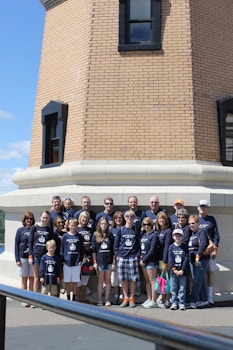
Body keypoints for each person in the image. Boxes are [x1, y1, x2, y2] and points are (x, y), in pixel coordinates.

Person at [114, 210, 140, 308]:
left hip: (132, 257)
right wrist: (117, 255)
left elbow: (138, 243)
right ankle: (125, 297)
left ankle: (132, 298)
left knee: (133, 279)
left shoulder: (136, 230)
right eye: (128, 216)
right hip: (122, 257)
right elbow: (116, 244)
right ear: (125, 218)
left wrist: (137, 255)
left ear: (134, 218)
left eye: (131, 216)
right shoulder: (120, 230)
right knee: (123, 279)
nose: (129, 218)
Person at [197, 200, 220, 305]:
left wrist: (215, 249)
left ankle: (210, 296)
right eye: (201, 206)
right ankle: (202, 296)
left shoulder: (211, 219)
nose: (203, 208)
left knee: (210, 273)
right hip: (199, 251)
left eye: (205, 206)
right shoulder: (195, 219)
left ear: (207, 208)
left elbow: (216, 235)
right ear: (198, 207)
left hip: (210, 250)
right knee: (199, 274)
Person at [28, 211, 55, 294]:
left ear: (49, 218)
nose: (45, 219)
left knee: (43, 278)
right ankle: (35, 298)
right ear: (40, 217)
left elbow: (51, 242)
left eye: (47, 218)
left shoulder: (50, 230)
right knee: (36, 278)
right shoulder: (34, 228)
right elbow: (30, 242)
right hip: (36, 255)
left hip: (45, 256)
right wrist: (30, 256)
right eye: (43, 217)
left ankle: (42, 297)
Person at [188, 215, 210, 309]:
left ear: (198, 223)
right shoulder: (192, 233)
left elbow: (204, 244)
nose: (191, 225)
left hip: (201, 260)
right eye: (190, 224)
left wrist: (198, 256)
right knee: (199, 280)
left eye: (193, 223)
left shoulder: (201, 231)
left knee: (197, 281)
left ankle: (193, 300)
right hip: (193, 260)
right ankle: (204, 300)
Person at [92, 217, 114, 306]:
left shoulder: (110, 235)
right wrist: (94, 262)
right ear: (99, 225)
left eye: (105, 224)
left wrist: (113, 262)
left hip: (109, 261)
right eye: (102, 224)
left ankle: (107, 299)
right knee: (101, 281)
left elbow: (113, 250)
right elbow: (94, 250)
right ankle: (100, 299)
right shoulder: (95, 235)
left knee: (108, 281)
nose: (104, 225)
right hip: (100, 261)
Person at [14, 211, 35, 307]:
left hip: (32, 258)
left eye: (30, 218)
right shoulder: (20, 230)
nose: (29, 220)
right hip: (23, 258)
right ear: (24, 220)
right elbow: (16, 245)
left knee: (32, 279)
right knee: (24, 279)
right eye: (27, 218)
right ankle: (24, 299)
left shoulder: (34, 230)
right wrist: (17, 259)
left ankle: (30, 299)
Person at [60, 218, 84, 301]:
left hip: (76, 262)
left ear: (77, 226)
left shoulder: (79, 236)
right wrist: (63, 261)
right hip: (67, 262)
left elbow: (82, 249)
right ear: (69, 226)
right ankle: (67, 297)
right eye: (71, 225)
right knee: (67, 282)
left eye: (74, 225)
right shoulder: (65, 236)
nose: (73, 227)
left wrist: (80, 260)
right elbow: (62, 249)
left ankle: (73, 297)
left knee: (75, 282)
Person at [140, 217, 159, 309]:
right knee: (147, 281)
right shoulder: (144, 235)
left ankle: (154, 300)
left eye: (148, 224)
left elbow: (152, 250)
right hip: (144, 261)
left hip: (151, 261)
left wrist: (144, 260)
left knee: (152, 281)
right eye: (144, 224)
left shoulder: (154, 235)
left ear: (152, 225)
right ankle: (149, 298)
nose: (146, 226)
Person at [76, 211, 95, 303]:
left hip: (88, 257)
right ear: (80, 218)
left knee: (85, 277)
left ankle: (84, 297)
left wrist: (89, 247)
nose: (84, 219)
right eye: (83, 217)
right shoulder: (75, 229)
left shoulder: (90, 230)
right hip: (78, 257)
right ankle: (78, 297)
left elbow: (93, 243)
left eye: (86, 218)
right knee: (78, 277)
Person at [155, 211, 173, 308]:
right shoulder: (157, 231)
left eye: (163, 218)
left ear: (166, 220)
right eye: (159, 218)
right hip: (158, 259)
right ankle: (162, 298)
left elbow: (167, 247)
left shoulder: (168, 231)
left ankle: (167, 299)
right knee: (161, 280)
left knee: (166, 279)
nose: (161, 220)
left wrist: (165, 262)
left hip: (165, 259)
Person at [168, 228, 189, 310]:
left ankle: (181, 303)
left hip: (182, 272)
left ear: (182, 237)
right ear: (173, 236)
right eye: (176, 235)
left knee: (182, 288)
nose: (177, 237)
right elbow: (170, 259)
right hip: (173, 272)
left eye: (179, 235)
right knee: (173, 288)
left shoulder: (184, 247)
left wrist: (182, 270)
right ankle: (174, 302)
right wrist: (174, 269)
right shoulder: (171, 247)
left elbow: (186, 259)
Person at [110, 211, 125, 304]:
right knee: (114, 277)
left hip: (123, 255)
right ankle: (116, 294)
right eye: (116, 218)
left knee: (122, 276)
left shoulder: (125, 229)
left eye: (120, 218)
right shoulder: (111, 230)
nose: (118, 220)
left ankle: (121, 295)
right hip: (113, 256)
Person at [53, 216, 66, 295]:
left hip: (62, 257)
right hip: (54, 257)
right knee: (55, 277)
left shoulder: (64, 234)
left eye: (62, 222)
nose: (60, 224)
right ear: (55, 223)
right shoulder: (53, 233)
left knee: (60, 276)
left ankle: (60, 289)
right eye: (59, 222)